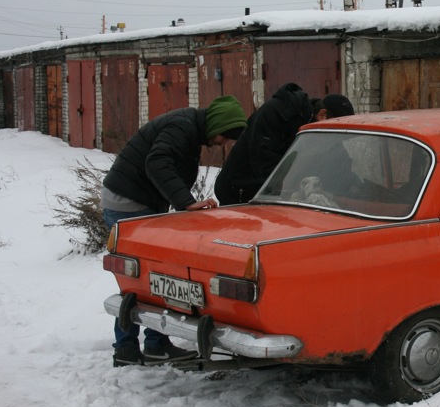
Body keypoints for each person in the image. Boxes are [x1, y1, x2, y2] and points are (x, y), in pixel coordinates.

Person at [102, 95, 248, 367]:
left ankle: (150, 345)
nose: (222, 143)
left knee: (151, 276)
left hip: (135, 202)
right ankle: (132, 347)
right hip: (129, 205)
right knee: (142, 278)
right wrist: (186, 202)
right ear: (216, 124)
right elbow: (158, 162)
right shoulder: (182, 127)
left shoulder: (188, 127)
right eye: (224, 136)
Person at [214, 86, 354, 206]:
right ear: (322, 115)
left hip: (269, 195)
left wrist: (356, 188)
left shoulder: (315, 128)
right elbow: (264, 163)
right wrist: (287, 195)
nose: (331, 139)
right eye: (333, 130)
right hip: (239, 191)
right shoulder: (276, 114)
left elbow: (340, 162)